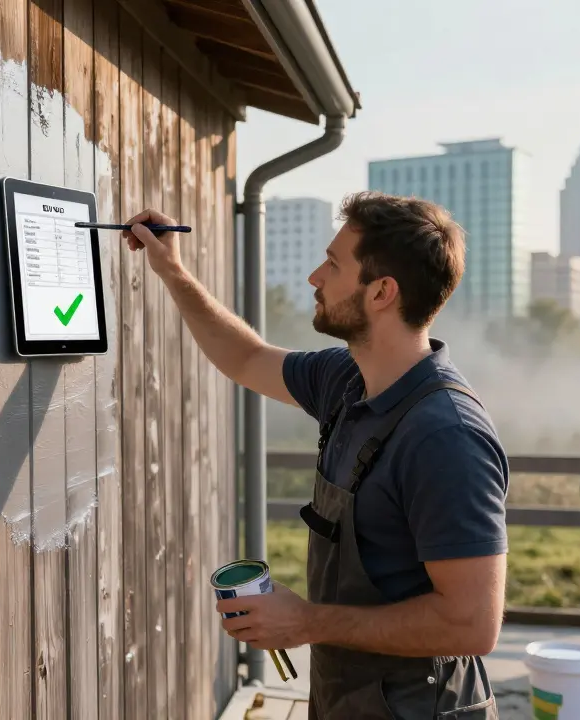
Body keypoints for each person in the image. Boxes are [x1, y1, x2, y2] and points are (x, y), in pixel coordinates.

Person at [121, 191, 508, 719]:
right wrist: (172, 271)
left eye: (332, 264)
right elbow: (246, 357)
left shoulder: (445, 436)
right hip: (345, 700)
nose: (314, 277)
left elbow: (472, 625)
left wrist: (306, 622)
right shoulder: (345, 379)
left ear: (381, 292)